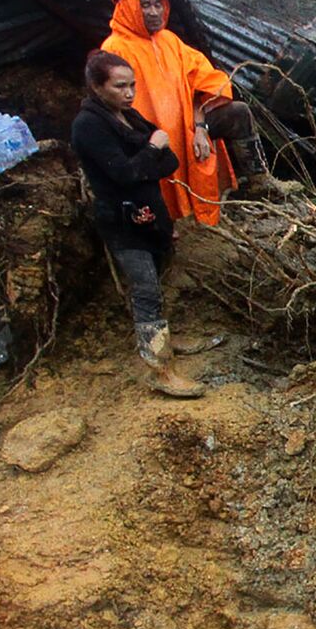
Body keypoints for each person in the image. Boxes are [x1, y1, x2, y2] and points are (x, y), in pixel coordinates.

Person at [100, 0, 295, 227]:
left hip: (189, 127)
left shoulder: (169, 40)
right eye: (144, 5)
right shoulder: (115, 49)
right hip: (150, 140)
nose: (154, 11)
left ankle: (260, 182)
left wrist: (200, 127)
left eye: (158, 3)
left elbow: (201, 84)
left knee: (237, 112)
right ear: (125, 7)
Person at [72, 49, 216, 398]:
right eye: (120, 86)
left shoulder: (128, 116)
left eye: (132, 84)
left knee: (160, 278)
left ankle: (167, 341)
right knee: (146, 291)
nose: (129, 92)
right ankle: (160, 369)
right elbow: (124, 173)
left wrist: (149, 156)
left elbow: (170, 161)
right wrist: (151, 149)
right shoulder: (89, 125)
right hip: (122, 222)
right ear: (96, 86)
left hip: (151, 216)